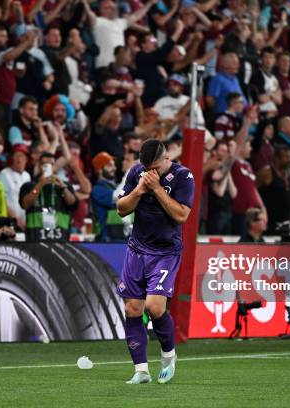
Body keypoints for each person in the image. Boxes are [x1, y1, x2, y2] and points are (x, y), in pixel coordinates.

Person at [115, 139, 195, 384]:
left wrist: (158, 189)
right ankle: (141, 370)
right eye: (147, 167)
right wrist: (139, 190)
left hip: (165, 252)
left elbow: (182, 215)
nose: (151, 173)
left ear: (166, 158)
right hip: (137, 249)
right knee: (132, 309)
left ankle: (168, 355)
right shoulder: (137, 173)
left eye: (156, 168)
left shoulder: (183, 177)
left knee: (155, 307)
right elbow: (121, 208)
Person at [19, 152, 78, 242]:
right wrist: (39, 186)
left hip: (60, 241)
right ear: (39, 166)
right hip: (35, 243)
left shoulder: (65, 186)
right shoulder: (29, 186)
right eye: (44, 164)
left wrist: (63, 188)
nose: (48, 167)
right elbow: (25, 204)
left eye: (51, 164)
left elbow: (74, 205)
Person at [0, 143, 31, 229]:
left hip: (26, 222)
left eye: (22, 156)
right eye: (16, 155)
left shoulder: (27, 176)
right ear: (12, 158)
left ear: (26, 159)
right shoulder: (4, 174)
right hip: (10, 222)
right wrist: (16, 220)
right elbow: (2, 199)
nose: (19, 159)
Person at [91, 152, 120, 241]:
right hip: (106, 239)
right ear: (100, 169)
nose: (114, 168)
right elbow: (118, 197)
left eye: (114, 165)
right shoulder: (97, 190)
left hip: (120, 237)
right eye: (110, 165)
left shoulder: (116, 187)